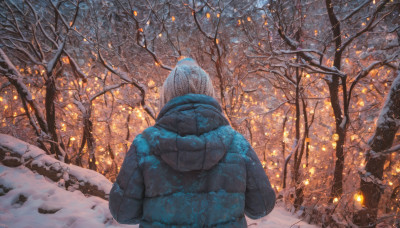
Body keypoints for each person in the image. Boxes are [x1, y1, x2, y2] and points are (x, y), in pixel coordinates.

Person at [109, 58, 276, 227]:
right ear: (210, 95)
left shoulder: (144, 145)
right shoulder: (237, 144)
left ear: (166, 98)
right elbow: (261, 207)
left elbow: (122, 212)